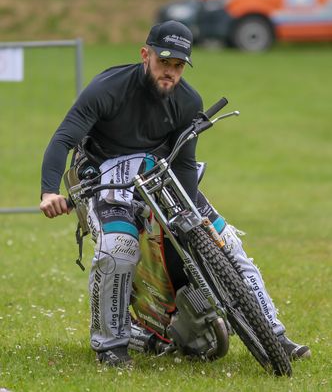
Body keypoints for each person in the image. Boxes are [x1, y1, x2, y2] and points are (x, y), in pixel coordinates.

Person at [40, 20, 310, 367]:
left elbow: (184, 165)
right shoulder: (107, 88)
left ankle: (274, 334)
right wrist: (49, 191)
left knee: (227, 240)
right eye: (163, 62)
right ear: (145, 55)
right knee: (118, 248)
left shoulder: (187, 101)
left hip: (161, 177)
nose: (170, 72)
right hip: (103, 176)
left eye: (178, 65)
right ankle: (111, 345)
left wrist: (196, 217)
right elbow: (63, 139)